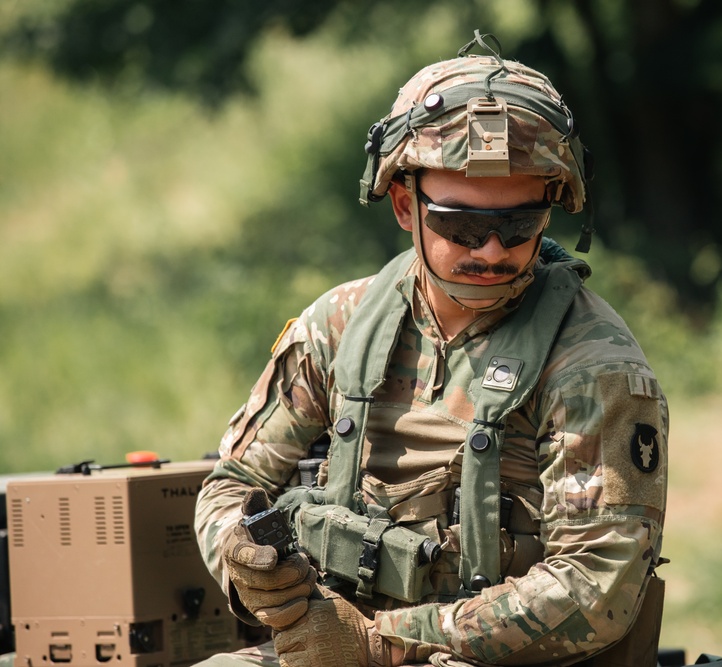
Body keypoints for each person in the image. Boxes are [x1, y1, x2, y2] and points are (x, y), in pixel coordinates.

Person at [194, 31, 669, 667]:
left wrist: (384, 645)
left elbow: (595, 590)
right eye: (463, 225)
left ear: (549, 213)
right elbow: (232, 484)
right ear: (403, 205)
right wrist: (245, 562)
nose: (493, 250)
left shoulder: (592, 366)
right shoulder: (340, 324)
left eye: (518, 225)